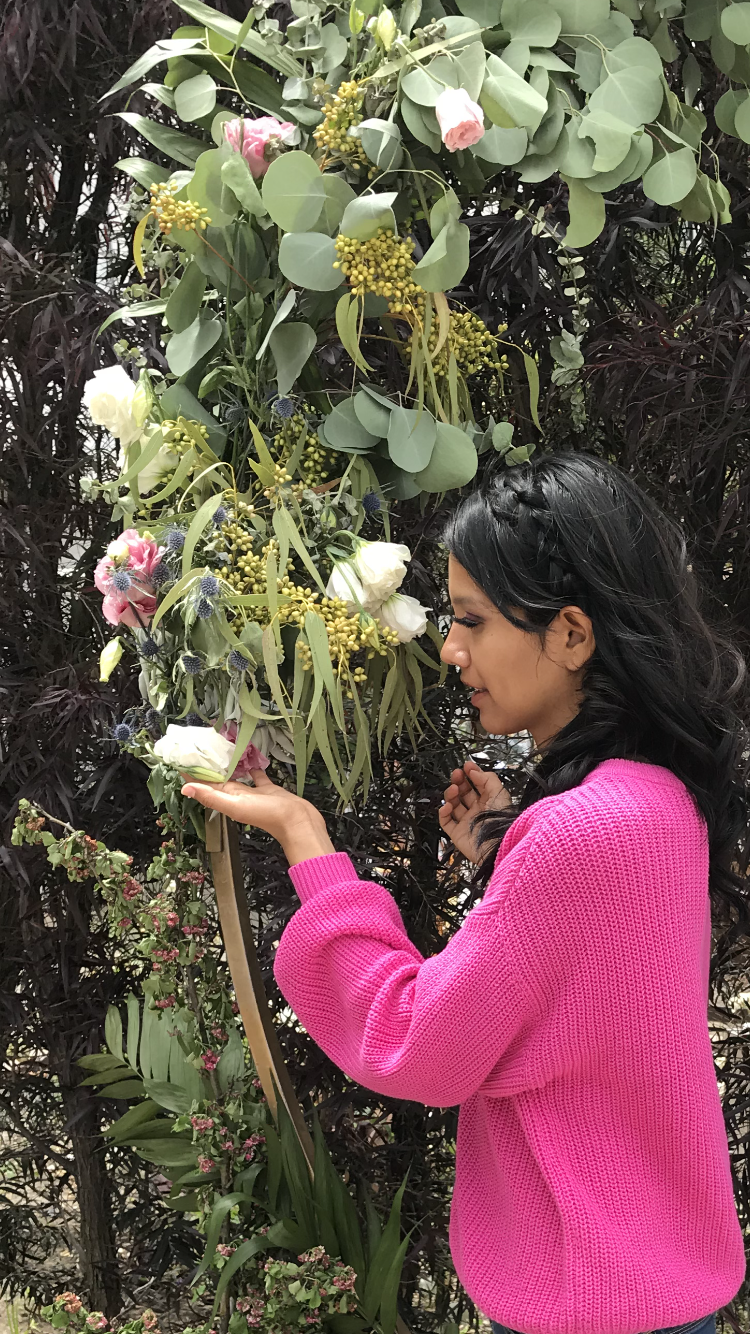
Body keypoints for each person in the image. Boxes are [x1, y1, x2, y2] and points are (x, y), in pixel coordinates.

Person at [181, 452, 749, 1334]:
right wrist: (503, 851)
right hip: (655, 1290)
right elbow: (586, 1001)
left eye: (472, 621)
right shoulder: (658, 802)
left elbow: (417, 1043)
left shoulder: (577, 836)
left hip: (589, 1304)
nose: (451, 650)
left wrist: (310, 847)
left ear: (570, 633)